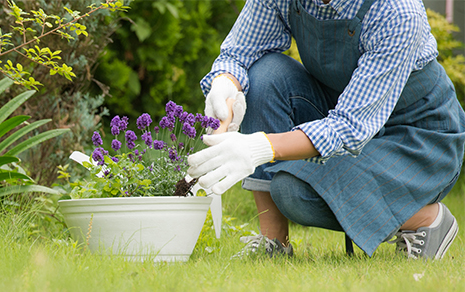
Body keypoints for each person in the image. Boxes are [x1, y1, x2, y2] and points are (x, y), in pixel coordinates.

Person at [187, 0, 465, 259]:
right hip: (338, 106)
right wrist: (225, 84)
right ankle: (273, 244)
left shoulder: (396, 12)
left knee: (295, 191)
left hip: (415, 137)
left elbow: (348, 126)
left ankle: (426, 218)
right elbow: (241, 53)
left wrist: (258, 147)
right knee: (265, 74)